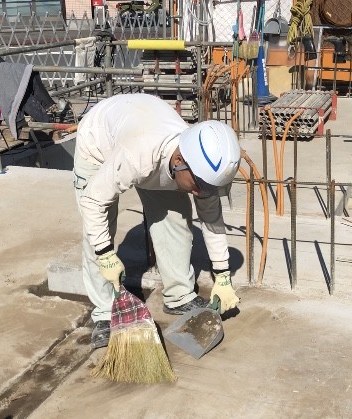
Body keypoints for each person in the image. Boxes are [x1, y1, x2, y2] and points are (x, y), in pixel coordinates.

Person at [73, 93, 241, 349]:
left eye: (212, 187)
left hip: (147, 131)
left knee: (175, 218)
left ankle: (179, 296)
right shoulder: (137, 155)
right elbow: (93, 202)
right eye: (201, 186)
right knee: (97, 229)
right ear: (179, 161)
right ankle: (105, 314)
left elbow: (211, 219)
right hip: (98, 143)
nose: (203, 193)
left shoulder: (200, 170)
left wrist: (223, 275)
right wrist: (105, 253)